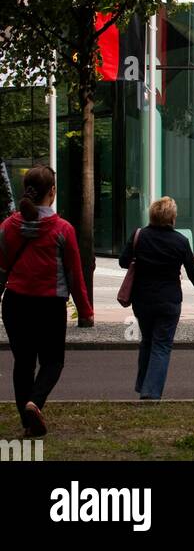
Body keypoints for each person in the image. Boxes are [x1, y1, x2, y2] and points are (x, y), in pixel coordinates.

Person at [0, 164, 94, 435]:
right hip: (50, 305)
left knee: (23, 362)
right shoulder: (62, 230)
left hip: (15, 303)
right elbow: (75, 275)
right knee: (52, 361)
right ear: (52, 192)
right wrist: (85, 310)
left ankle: (28, 422)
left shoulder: (8, 226)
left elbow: (2, 266)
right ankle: (35, 403)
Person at [119, 195, 194, 400]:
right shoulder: (180, 241)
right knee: (161, 345)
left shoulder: (139, 235)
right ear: (172, 218)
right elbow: (193, 270)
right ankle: (151, 392)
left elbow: (123, 261)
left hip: (142, 299)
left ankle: (143, 385)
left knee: (147, 340)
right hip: (169, 300)